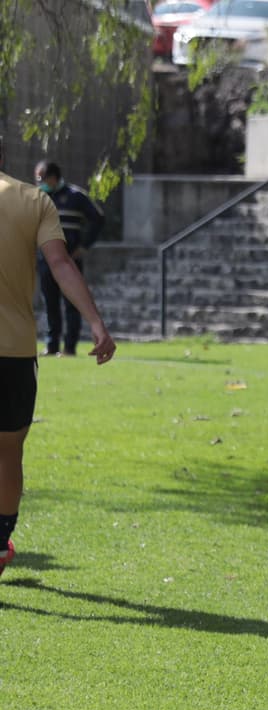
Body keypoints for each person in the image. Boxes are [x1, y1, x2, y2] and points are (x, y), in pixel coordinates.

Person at [0, 138, 117, 573]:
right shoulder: (34, 201)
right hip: (11, 349)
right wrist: (96, 323)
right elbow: (61, 264)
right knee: (8, 451)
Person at [34, 161, 105, 357]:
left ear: (53, 178)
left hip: (69, 259)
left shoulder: (76, 196)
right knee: (50, 303)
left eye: (42, 179)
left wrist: (84, 246)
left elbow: (98, 218)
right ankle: (52, 345)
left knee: (72, 303)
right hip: (45, 260)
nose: (39, 183)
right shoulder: (39, 197)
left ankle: (70, 347)